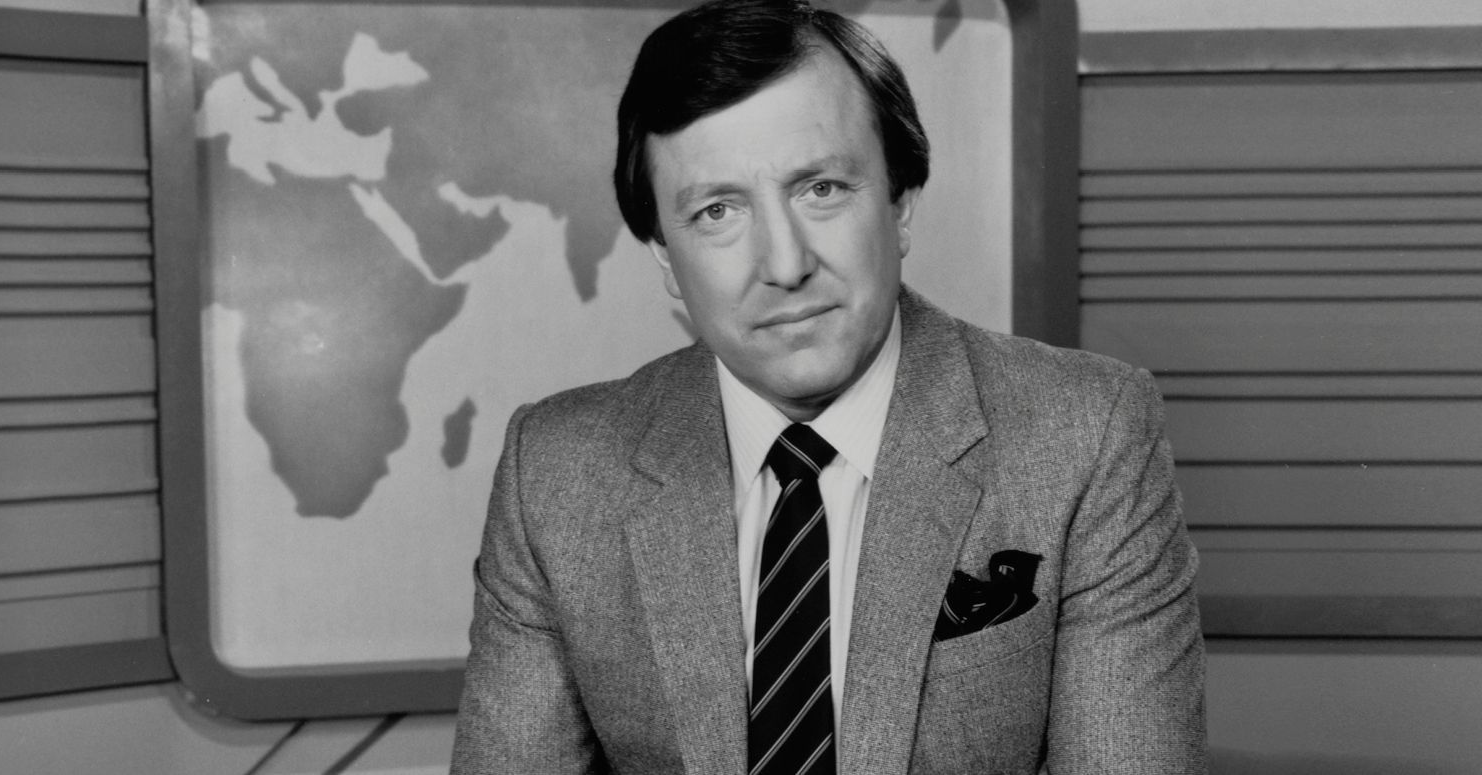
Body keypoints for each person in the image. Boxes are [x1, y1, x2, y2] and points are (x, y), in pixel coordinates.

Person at [452, 1, 1206, 772]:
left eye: (821, 189)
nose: (784, 264)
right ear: (666, 258)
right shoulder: (554, 474)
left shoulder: (1088, 433)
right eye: (717, 210)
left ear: (901, 203)